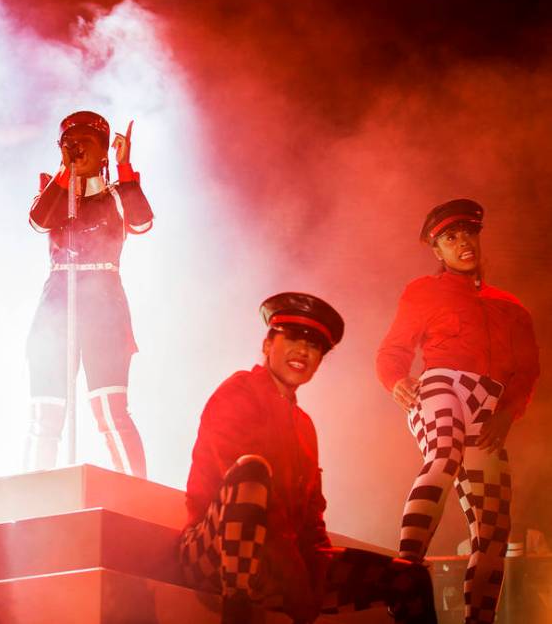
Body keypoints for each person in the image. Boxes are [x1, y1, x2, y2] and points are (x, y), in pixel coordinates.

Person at [181, 293, 437, 624]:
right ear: (267, 344)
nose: (303, 351)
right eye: (293, 338)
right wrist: (294, 574)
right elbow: (235, 485)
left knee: (409, 578)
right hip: (213, 551)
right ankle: (237, 612)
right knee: (251, 472)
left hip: (282, 563)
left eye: (315, 346)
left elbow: (313, 516)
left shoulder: (304, 427)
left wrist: (312, 575)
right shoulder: (238, 392)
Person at [376, 199, 540, 624]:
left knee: (493, 531)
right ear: (437, 250)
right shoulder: (424, 290)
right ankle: (405, 572)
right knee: (444, 453)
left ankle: (478, 621)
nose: (462, 242)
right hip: (442, 385)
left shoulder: (512, 305)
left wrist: (507, 414)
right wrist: (396, 379)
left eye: (468, 232)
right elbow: (392, 350)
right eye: (450, 237)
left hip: (490, 405)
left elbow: (528, 370)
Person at [24, 110, 153, 477]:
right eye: (71, 144)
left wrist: (125, 169)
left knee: (112, 411)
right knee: (44, 415)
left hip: (104, 307)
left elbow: (142, 221)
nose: (78, 150)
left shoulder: (117, 193)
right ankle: (32, 498)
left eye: (88, 144)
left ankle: (136, 495)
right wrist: (65, 174)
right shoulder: (53, 188)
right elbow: (39, 221)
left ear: (104, 154)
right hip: (56, 305)